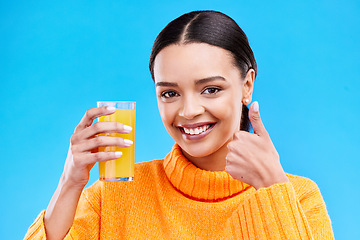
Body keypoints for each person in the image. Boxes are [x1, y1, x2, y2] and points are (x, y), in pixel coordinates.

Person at [24, 10, 334, 239]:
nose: (188, 111)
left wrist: (272, 191)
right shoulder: (114, 196)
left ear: (247, 86)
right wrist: (70, 183)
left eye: (210, 89)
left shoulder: (299, 197)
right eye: (170, 93)